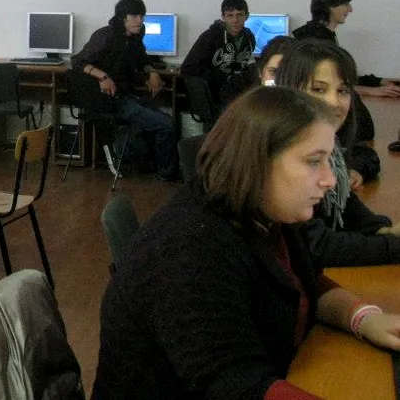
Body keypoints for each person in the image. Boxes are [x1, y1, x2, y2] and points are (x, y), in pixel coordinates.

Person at [92, 87, 400, 400]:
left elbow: (305, 281)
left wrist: (364, 318)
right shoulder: (189, 249)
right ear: (257, 162)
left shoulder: (264, 211)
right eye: (313, 161)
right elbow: (235, 385)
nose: (330, 179)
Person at [275, 39, 400, 266]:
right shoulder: (279, 153)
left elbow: (345, 204)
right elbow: (314, 246)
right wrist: (391, 246)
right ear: (289, 90)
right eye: (318, 89)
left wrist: (382, 229)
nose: (334, 102)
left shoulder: (328, 145)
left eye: (342, 91)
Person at [71, 0, 179, 181]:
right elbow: (77, 62)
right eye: (134, 16)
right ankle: (166, 174)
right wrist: (102, 76)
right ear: (122, 17)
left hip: (125, 94)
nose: (140, 20)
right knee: (165, 125)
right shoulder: (105, 36)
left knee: (166, 121)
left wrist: (152, 72)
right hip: (109, 100)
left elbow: (141, 59)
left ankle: (157, 166)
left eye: (142, 16)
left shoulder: (135, 36)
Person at [292, 0, 400, 98]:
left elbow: (339, 77)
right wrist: (372, 91)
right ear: (329, 6)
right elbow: (323, 83)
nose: (350, 9)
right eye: (345, 4)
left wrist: (379, 81)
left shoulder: (321, 34)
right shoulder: (314, 41)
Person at [180, 0, 256, 107]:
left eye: (239, 15)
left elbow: (247, 64)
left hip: (238, 90)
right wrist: (218, 78)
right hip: (216, 93)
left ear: (247, 16)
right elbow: (187, 68)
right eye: (230, 15)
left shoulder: (249, 37)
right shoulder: (210, 37)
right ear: (223, 17)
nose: (235, 20)